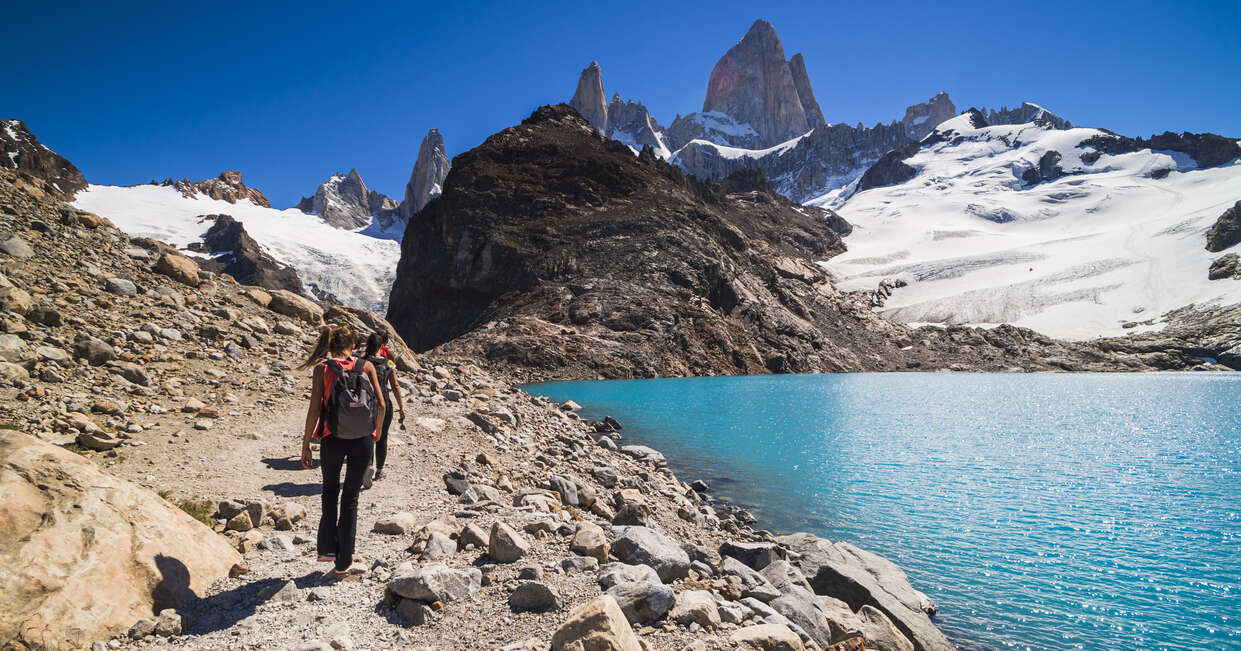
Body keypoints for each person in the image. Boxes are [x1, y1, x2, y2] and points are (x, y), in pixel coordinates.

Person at [298, 325, 385, 576]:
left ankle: (327, 549)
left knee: (329, 492)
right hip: (362, 440)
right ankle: (343, 562)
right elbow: (380, 404)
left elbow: (314, 409)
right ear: (353, 346)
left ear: (330, 344)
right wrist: (375, 433)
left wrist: (306, 445)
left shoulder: (322, 369)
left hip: (332, 438)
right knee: (351, 499)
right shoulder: (366, 367)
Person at [361, 331, 405, 480]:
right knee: (382, 437)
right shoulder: (389, 364)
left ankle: (367, 466)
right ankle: (379, 471)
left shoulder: (361, 361)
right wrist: (401, 407)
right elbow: (396, 385)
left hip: (365, 402)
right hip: (384, 402)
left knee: (366, 435)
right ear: (381, 346)